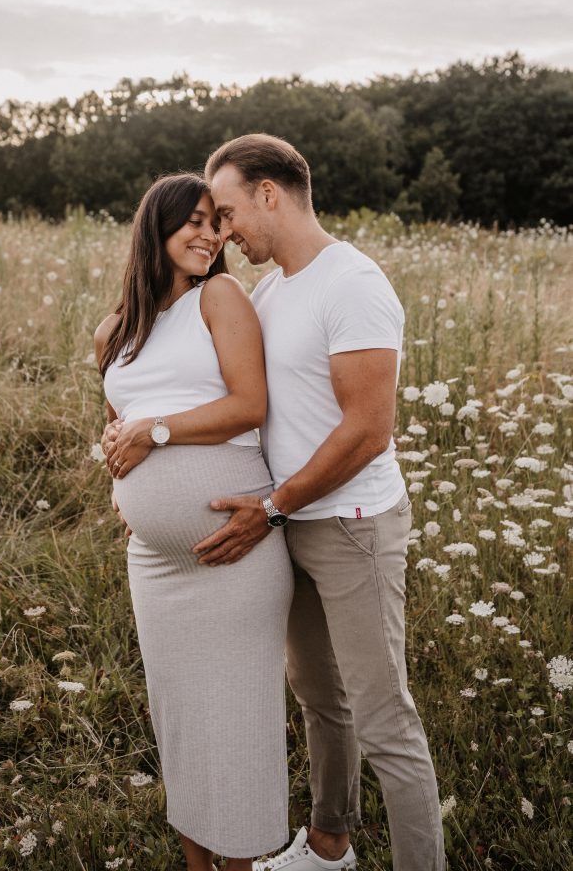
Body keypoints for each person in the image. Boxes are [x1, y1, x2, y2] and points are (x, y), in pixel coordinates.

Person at [189, 134, 445, 871]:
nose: (226, 230)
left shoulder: (352, 282)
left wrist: (272, 504)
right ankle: (330, 847)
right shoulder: (270, 290)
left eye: (231, 210)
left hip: (352, 525)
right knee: (317, 697)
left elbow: (367, 430)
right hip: (289, 522)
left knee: (383, 715)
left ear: (270, 192)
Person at [95, 172, 294, 871]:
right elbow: (116, 428)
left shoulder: (222, 295)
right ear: (158, 226)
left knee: (235, 721)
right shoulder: (114, 330)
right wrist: (124, 487)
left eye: (217, 222)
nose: (211, 235)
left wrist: (155, 434)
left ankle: (240, 861)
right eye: (196, 221)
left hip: (232, 548)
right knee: (175, 715)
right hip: (153, 559)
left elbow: (248, 405)